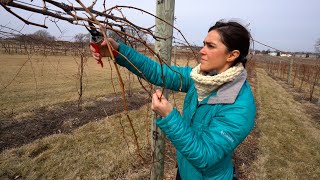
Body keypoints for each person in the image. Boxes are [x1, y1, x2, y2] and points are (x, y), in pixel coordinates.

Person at [91, 20, 256, 180]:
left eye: (210, 46)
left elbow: (205, 157)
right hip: (185, 172)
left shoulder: (240, 105)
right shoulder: (200, 78)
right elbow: (158, 72)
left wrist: (170, 117)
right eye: (204, 44)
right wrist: (118, 51)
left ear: (232, 55)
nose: (201, 51)